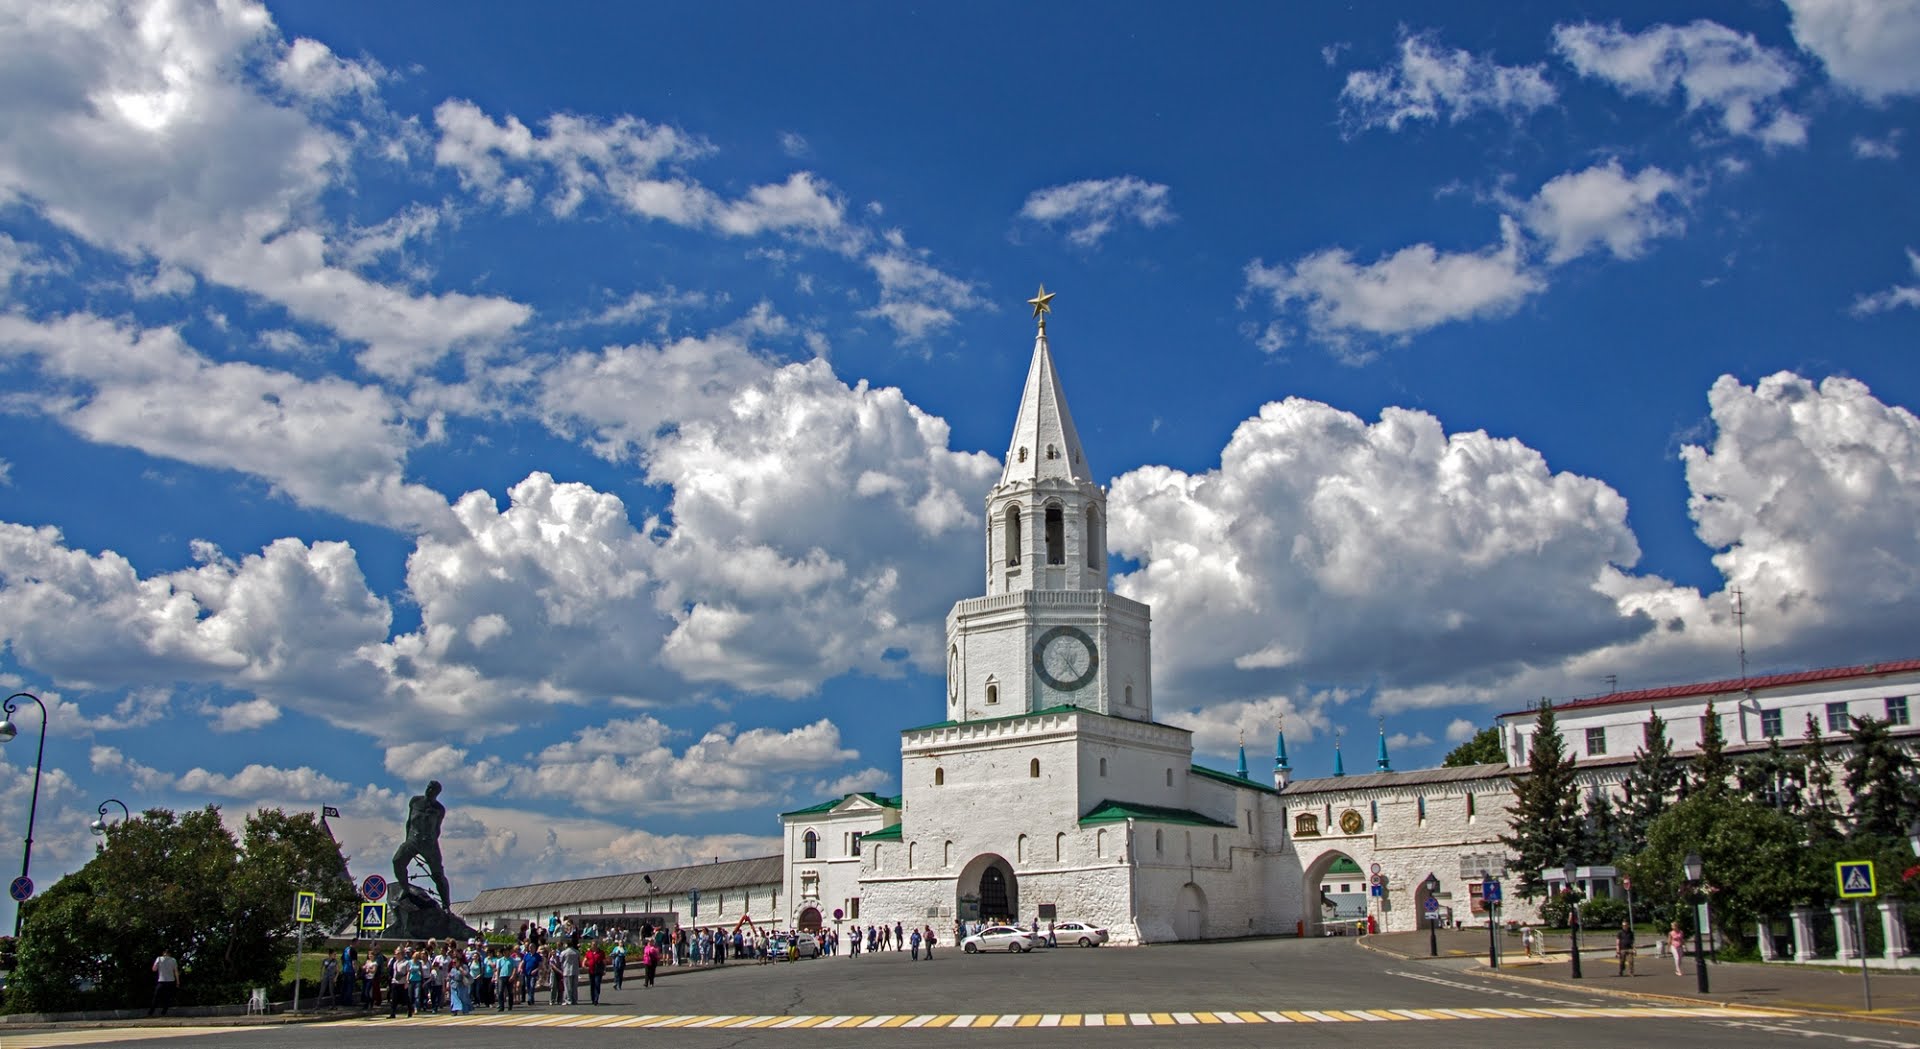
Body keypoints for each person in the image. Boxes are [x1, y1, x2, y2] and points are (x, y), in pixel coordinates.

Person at [148, 947, 180, 1016]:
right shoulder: (172, 960)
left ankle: (152, 1012)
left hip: (163, 981)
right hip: (169, 981)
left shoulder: (159, 959)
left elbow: (154, 969)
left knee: (157, 996)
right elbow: (176, 971)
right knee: (166, 997)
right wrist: (177, 982)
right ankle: (162, 1012)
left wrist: (177, 982)